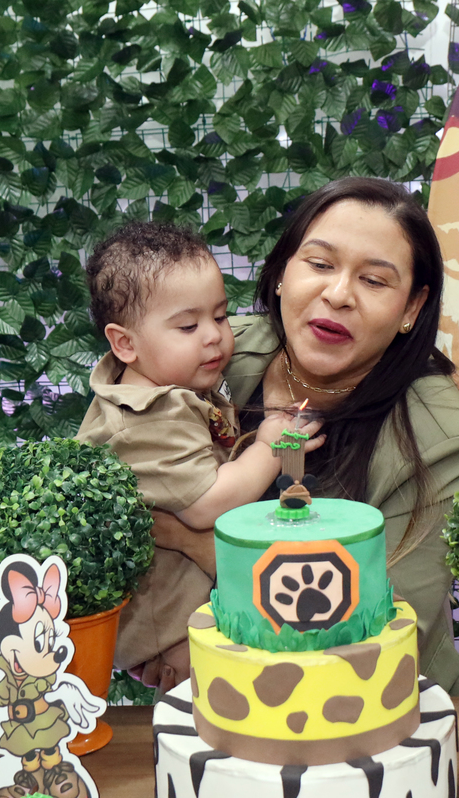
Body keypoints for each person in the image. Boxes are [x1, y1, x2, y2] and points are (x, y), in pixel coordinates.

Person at [146, 176, 459, 695]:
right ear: (283, 272)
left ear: (411, 309)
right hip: (215, 701)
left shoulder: (442, 442)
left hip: (374, 709)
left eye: (374, 280)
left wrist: (188, 540)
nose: (338, 294)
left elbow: (378, 626)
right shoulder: (216, 353)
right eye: (320, 264)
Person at [76, 221, 324, 686]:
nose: (213, 336)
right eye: (188, 326)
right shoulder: (148, 417)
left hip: (186, 605)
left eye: (221, 316)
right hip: (171, 629)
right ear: (124, 343)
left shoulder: (168, 383)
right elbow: (208, 503)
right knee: (213, 707)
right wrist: (273, 445)